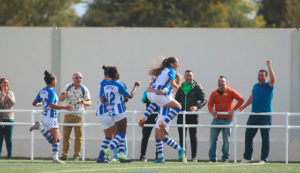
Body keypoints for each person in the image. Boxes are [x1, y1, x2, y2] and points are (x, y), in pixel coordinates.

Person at [30, 70, 73, 164]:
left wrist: (42, 104)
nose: (56, 81)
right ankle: (39, 127)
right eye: (56, 80)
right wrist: (65, 107)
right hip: (50, 116)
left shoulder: (42, 91)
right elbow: (52, 105)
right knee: (54, 139)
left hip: (46, 115)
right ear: (53, 81)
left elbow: (34, 103)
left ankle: (55, 158)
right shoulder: (51, 92)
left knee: (57, 138)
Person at [101, 66, 140, 162]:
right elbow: (130, 96)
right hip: (119, 110)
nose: (119, 74)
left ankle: (122, 154)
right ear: (114, 74)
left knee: (119, 133)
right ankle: (109, 150)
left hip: (110, 110)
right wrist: (136, 87)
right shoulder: (118, 85)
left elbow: (103, 99)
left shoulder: (105, 85)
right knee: (122, 133)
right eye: (118, 72)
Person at [143, 73, 185, 163]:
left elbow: (165, 91)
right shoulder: (164, 87)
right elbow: (153, 104)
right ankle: (161, 157)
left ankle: (180, 149)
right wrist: (144, 117)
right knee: (157, 136)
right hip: (160, 115)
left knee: (162, 136)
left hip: (165, 115)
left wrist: (165, 121)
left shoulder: (168, 87)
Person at [240, 60, 275, 164]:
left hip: (265, 115)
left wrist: (269, 66)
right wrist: (244, 106)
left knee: (265, 138)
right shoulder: (255, 86)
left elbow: (273, 79)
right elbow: (252, 97)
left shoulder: (269, 86)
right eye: (259, 75)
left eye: (262, 75)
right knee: (248, 135)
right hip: (254, 115)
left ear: (266, 77)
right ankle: (247, 157)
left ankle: (264, 159)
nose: (260, 77)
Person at [140, 57, 182, 136]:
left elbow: (155, 82)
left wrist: (152, 89)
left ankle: (144, 117)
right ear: (171, 64)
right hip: (158, 101)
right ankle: (164, 123)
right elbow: (172, 83)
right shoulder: (171, 71)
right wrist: (177, 87)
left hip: (151, 95)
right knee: (178, 107)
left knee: (158, 137)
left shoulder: (163, 70)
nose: (178, 64)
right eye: (177, 62)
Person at [208, 75, 244, 163]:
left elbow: (241, 100)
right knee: (213, 139)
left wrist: (234, 109)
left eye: (223, 81)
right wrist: (212, 112)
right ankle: (212, 159)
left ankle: (225, 159)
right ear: (217, 83)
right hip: (217, 119)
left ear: (226, 83)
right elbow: (209, 104)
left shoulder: (231, 92)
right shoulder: (214, 93)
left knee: (226, 140)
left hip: (228, 120)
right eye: (219, 81)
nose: (221, 83)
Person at [175, 70, 207, 162]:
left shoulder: (197, 86)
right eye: (187, 76)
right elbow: (176, 100)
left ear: (193, 76)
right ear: (184, 77)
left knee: (193, 136)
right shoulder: (181, 86)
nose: (188, 77)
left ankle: (194, 157)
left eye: (190, 76)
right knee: (182, 136)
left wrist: (197, 107)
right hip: (181, 115)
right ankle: (182, 156)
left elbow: (204, 100)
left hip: (192, 116)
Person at [59, 72, 92, 161]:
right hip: (68, 114)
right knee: (66, 136)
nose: (78, 79)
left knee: (78, 137)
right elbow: (60, 99)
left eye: (80, 77)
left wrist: (84, 102)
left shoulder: (84, 89)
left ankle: (76, 156)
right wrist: (64, 95)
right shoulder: (67, 87)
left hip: (79, 115)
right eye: (77, 77)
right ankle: (64, 155)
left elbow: (90, 102)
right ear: (73, 78)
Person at [139, 89, 158, 162]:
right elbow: (143, 100)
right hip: (149, 115)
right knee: (145, 136)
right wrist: (147, 95)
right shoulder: (147, 91)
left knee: (158, 135)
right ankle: (142, 155)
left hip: (158, 114)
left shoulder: (160, 89)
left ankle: (158, 155)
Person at [0, 78, 15, 159]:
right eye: (4, 82)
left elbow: (12, 103)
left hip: (9, 118)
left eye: (7, 82)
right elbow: (1, 104)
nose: (5, 84)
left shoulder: (11, 93)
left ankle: (9, 155)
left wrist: (7, 95)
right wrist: (2, 95)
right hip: (1, 119)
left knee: (8, 138)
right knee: (0, 138)